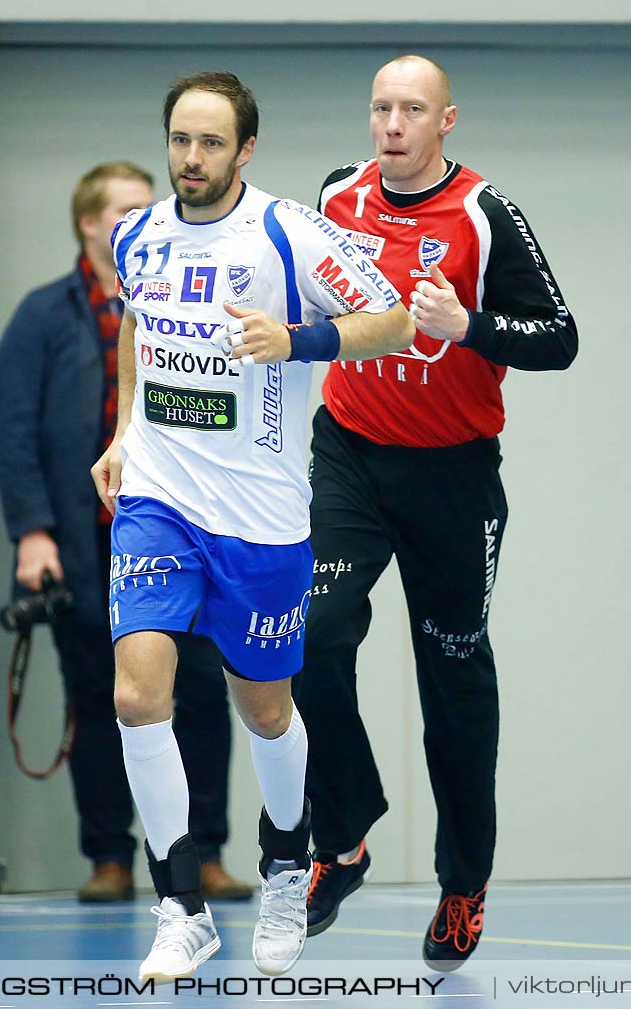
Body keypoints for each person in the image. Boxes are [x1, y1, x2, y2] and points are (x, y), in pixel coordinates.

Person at [90, 72, 412, 980]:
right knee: (134, 695)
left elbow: (390, 319)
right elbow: (135, 329)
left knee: (265, 709)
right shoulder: (137, 235)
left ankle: (284, 863)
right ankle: (180, 904)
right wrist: (121, 431)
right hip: (159, 500)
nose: (191, 160)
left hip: (262, 518)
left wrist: (299, 340)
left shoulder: (287, 233)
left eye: (210, 144)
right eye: (179, 142)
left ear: (246, 149)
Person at [294, 54, 578, 970]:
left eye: (411, 109)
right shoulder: (338, 196)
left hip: (453, 477)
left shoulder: (486, 214)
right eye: (380, 107)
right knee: (312, 635)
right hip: (350, 453)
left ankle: (464, 885)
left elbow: (560, 337)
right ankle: (342, 841)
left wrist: (472, 329)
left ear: (446, 120)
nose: (392, 125)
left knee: (453, 684)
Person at [0, 161, 252, 905]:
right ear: (88, 222)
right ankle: (109, 857)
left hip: (182, 533)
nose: (140, 220)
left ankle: (201, 858)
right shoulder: (45, 315)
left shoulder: (185, 306)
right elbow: (12, 434)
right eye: (124, 210)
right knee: (103, 699)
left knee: (200, 692)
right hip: (83, 541)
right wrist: (32, 533)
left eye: (149, 208)